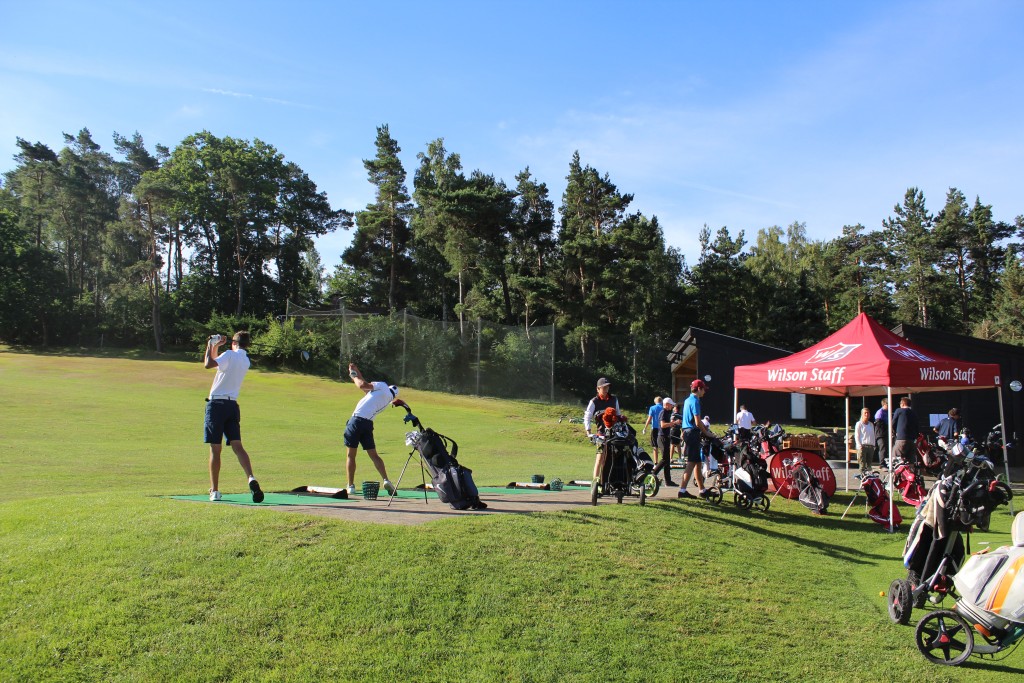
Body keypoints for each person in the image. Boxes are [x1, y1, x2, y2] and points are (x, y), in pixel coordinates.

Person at [203, 331, 264, 503]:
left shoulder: (229, 354)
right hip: (232, 406)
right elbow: (217, 364)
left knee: (216, 449)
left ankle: (214, 491)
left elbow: (208, 364)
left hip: (216, 406)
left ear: (234, 343)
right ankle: (251, 477)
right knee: (238, 446)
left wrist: (210, 344)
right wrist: (215, 346)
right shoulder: (245, 360)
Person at [343, 363, 399, 496]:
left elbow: (362, 385)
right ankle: (386, 479)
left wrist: (353, 375)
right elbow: (367, 389)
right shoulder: (386, 399)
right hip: (367, 424)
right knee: (374, 455)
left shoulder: (383, 386)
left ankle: (350, 486)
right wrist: (357, 372)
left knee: (351, 455)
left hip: (356, 421)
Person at [583, 377, 622, 497]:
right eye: (603, 387)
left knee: (611, 460)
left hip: (614, 434)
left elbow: (619, 415)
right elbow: (587, 417)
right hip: (601, 434)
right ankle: (596, 486)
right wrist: (588, 431)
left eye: (607, 387)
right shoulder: (594, 401)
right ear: (598, 389)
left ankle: (608, 484)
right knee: (600, 459)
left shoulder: (614, 399)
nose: (606, 389)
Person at [678, 379, 714, 499]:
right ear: (699, 389)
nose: (704, 392)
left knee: (698, 463)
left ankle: (702, 490)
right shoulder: (695, 401)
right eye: (703, 389)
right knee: (692, 462)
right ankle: (682, 490)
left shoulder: (687, 400)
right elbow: (698, 422)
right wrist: (707, 433)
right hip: (692, 432)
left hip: (687, 431)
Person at [656, 397, 680, 486]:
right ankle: (653, 473)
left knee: (667, 460)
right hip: (662, 437)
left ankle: (668, 481)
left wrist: (672, 423)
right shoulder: (663, 412)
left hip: (665, 437)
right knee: (665, 459)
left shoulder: (667, 413)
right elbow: (662, 425)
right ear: (666, 404)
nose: (672, 406)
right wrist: (673, 423)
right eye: (671, 405)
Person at [890, 396, 920, 465]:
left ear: (902, 404)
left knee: (895, 458)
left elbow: (893, 423)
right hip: (912, 440)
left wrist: (894, 432)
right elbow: (917, 426)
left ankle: (897, 475)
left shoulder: (899, 411)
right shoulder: (913, 413)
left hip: (901, 438)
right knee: (910, 461)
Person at [854, 407, 875, 473]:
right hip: (862, 446)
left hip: (870, 446)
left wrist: (874, 445)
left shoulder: (871, 424)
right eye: (865, 413)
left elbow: (872, 435)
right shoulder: (859, 424)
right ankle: (862, 479)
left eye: (868, 413)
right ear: (862, 414)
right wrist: (859, 445)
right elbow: (857, 435)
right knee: (862, 465)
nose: (866, 414)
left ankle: (869, 479)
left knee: (869, 466)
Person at [642, 395, 663, 464]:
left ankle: (656, 462)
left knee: (655, 445)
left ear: (655, 402)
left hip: (655, 428)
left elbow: (649, 418)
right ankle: (664, 460)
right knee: (662, 444)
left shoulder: (652, 408)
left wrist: (645, 427)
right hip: (662, 428)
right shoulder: (663, 408)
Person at [874, 398, 889, 464]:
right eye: (888, 404)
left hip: (886, 433)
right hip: (880, 433)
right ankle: (882, 464)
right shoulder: (880, 412)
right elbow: (878, 423)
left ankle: (885, 462)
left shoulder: (888, 412)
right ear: (885, 404)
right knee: (883, 448)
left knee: (886, 448)